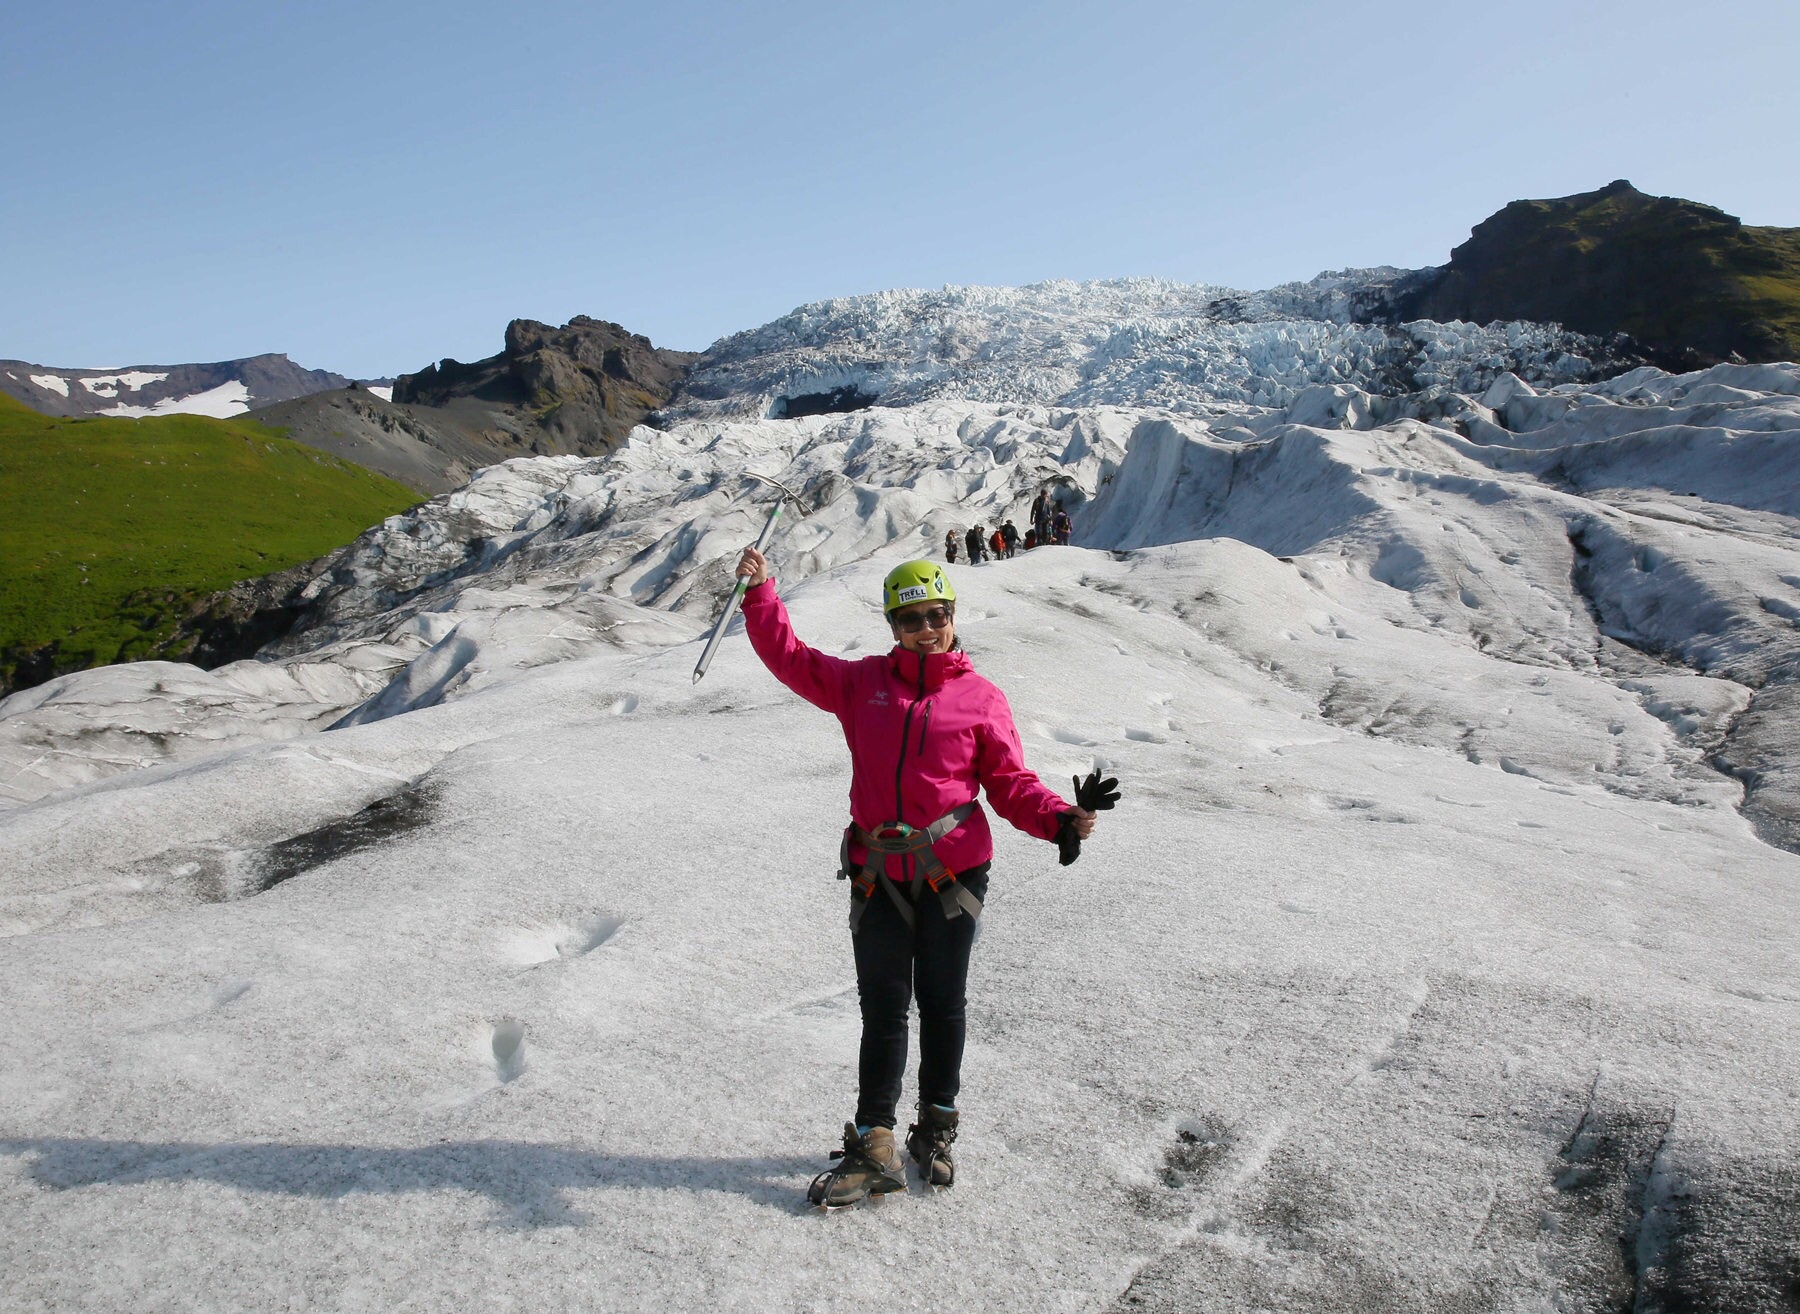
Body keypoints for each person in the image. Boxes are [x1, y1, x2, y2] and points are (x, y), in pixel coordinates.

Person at [734, 549, 1117, 1207]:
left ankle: (935, 1127)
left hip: (953, 872)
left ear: (952, 615)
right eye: (909, 619)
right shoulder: (860, 684)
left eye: (935, 615)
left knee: (941, 1003)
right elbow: (791, 658)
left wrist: (1058, 818)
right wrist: (762, 592)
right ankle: (874, 1141)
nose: (925, 628)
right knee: (882, 1007)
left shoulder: (980, 698)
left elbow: (1008, 781)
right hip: (877, 873)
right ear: (893, 624)